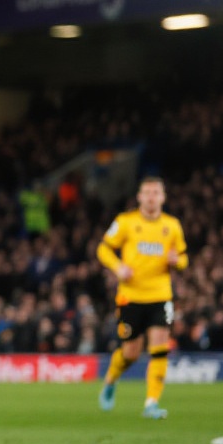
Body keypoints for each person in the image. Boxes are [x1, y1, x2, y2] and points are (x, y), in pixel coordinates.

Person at [95, 177, 188, 419]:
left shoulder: (172, 225)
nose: (151, 197)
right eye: (147, 192)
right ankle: (110, 380)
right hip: (131, 297)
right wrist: (118, 268)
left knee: (160, 348)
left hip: (161, 295)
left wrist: (177, 262)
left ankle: (151, 403)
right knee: (131, 353)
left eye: (155, 192)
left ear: (163, 197)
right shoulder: (126, 222)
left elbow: (183, 257)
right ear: (139, 197)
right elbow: (103, 248)